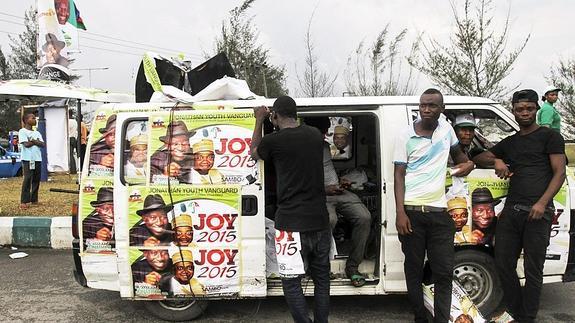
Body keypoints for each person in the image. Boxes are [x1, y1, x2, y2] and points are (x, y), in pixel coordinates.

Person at [475, 89, 566, 322]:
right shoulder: (511, 142)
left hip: (539, 213)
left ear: (536, 109)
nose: (524, 113)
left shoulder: (550, 137)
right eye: (519, 109)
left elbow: (559, 172)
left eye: (529, 108)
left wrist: (542, 203)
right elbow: (479, 157)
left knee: (533, 270)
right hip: (512, 213)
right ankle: (515, 311)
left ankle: (527, 317)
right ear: (513, 111)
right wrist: (497, 159)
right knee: (503, 264)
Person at [393, 88, 475, 323]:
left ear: (442, 109)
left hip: (440, 215)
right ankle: (420, 317)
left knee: (443, 273)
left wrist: (466, 165)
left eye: (432, 106)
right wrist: (400, 212)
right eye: (423, 105)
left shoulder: (447, 130)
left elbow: (461, 157)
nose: (426, 110)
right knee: (414, 270)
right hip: (412, 213)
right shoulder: (405, 135)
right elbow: (399, 174)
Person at [251, 96, 330, 323]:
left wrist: (259, 121)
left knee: (292, 282)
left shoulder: (273, 141)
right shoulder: (315, 135)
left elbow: (253, 152)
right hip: (320, 221)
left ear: (274, 116)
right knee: (322, 281)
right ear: (296, 114)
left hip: (289, 225)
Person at [305, 116, 371, 287]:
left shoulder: (325, 146)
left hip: (337, 190)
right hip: (319, 194)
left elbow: (328, 172)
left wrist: (341, 181)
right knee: (329, 220)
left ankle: (352, 267)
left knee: (364, 217)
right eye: (323, 131)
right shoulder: (300, 149)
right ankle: (320, 267)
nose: (326, 134)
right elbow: (301, 181)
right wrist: (325, 189)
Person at [19, 112, 45, 209]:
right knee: (27, 179)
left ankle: (34, 199)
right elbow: (26, 144)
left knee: (36, 179)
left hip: (37, 159)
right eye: (33, 118)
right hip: (28, 159)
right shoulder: (22, 131)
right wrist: (35, 141)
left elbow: (42, 144)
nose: (35, 120)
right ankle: (24, 201)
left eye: (35, 118)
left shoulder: (37, 132)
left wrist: (33, 141)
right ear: (26, 120)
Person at [68, 110, 78, 174]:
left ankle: (73, 170)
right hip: (74, 138)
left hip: (69, 138)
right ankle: (73, 169)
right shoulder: (75, 121)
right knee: (72, 154)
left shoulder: (68, 121)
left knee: (70, 154)